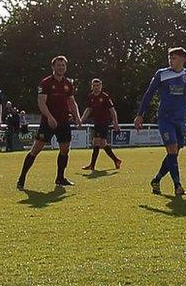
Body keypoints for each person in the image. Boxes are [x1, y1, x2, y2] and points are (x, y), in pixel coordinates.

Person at [136, 48, 186, 195]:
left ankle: (156, 180)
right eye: (170, 58)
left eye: (175, 58)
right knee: (172, 150)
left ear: (184, 59)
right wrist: (140, 114)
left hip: (179, 121)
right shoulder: (162, 74)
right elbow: (148, 94)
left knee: (174, 153)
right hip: (165, 119)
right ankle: (178, 186)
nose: (171, 61)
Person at [19, 56, 80, 190]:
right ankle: (22, 178)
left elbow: (71, 101)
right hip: (48, 122)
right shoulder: (45, 83)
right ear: (53, 67)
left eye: (63, 65)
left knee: (65, 150)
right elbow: (41, 102)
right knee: (36, 150)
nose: (61, 68)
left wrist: (77, 117)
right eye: (58, 65)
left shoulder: (68, 83)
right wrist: (50, 117)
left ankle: (60, 178)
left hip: (64, 121)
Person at [83, 77, 122, 172]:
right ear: (91, 87)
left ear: (101, 86)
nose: (96, 87)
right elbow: (88, 109)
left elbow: (112, 110)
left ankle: (92, 165)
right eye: (94, 86)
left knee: (96, 142)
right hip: (97, 123)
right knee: (103, 143)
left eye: (98, 85)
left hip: (104, 123)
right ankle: (116, 160)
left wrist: (115, 122)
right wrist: (81, 119)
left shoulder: (105, 97)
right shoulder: (91, 97)